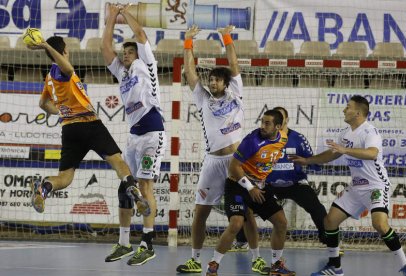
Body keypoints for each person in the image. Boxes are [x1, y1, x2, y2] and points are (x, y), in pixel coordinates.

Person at [28, 36, 150, 239]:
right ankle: (133, 190)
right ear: (64, 50)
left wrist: (60, 112)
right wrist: (47, 46)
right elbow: (67, 70)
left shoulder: (49, 77)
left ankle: (44, 187)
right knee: (117, 160)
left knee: (65, 178)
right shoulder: (60, 70)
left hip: (69, 129)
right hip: (90, 124)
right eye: (66, 48)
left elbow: (42, 104)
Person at [176, 25, 266, 275]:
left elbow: (234, 62)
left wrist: (226, 36)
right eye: (211, 79)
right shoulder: (203, 98)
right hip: (213, 162)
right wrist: (187, 42)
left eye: (216, 79)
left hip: (236, 162)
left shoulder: (236, 94)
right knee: (200, 212)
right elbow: (190, 71)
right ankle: (194, 259)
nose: (212, 82)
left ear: (226, 83)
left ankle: (257, 258)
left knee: (246, 213)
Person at [290, 95, 406, 276]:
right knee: (330, 221)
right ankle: (335, 267)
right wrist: (308, 160)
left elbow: (372, 153)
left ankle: (405, 267)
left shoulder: (370, 132)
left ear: (357, 112)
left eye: (347, 107)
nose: (344, 110)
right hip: (356, 187)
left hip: (375, 186)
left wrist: (345, 150)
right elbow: (332, 154)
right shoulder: (345, 133)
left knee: (380, 224)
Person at [101, 3, 166, 266]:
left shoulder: (146, 66)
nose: (126, 55)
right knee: (124, 186)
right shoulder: (123, 72)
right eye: (124, 52)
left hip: (152, 134)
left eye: (130, 52)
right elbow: (105, 49)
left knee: (145, 185)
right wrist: (110, 20)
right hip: (133, 137)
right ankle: (124, 242)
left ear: (139, 54)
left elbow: (140, 35)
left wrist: (124, 12)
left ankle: (147, 243)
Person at [206, 109, 295, 276]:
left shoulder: (283, 138)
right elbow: (233, 167)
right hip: (238, 185)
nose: (262, 126)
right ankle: (213, 265)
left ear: (278, 126)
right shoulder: (252, 141)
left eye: (267, 123)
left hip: (260, 185)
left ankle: (276, 265)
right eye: (262, 121)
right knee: (236, 223)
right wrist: (250, 187)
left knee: (281, 222)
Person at [232, 106, 328, 250]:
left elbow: (311, 160)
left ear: (285, 121)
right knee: (246, 203)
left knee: (317, 208)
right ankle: (241, 241)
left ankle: (329, 240)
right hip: (269, 184)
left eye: (282, 119)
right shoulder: (258, 139)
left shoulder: (297, 138)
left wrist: (313, 162)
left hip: (295, 183)